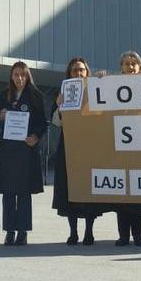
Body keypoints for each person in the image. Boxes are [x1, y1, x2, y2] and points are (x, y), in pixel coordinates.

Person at [51, 57, 103, 246]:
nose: (78, 73)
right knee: (69, 190)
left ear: (87, 72)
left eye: (81, 70)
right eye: (75, 70)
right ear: (69, 74)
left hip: (89, 149)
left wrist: (102, 82)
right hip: (68, 147)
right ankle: (73, 232)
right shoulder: (62, 93)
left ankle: (89, 232)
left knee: (88, 191)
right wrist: (59, 105)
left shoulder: (95, 92)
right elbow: (56, 122)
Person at [0, 61, 47, 246]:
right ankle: (9, 231)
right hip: (8, 152)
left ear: (27, 76)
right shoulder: (3, 96)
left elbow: (42, 122)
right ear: (11, 76)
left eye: (22, 75)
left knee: (24, 193)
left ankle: (23, 231)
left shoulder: (35, 96)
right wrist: (0, 115)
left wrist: (35, 136)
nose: (19, 78)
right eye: (16, 75)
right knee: (9, 193)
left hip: (26, 151)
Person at [112, 51, 141, 247]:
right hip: (120, 150)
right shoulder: (111, 87)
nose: (130, 67)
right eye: (127, 64)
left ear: (140, 67)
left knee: (138, 193)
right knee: (122, 194)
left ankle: (138, 235)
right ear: (121, 67)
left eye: (134, 63)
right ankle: (123, 235)